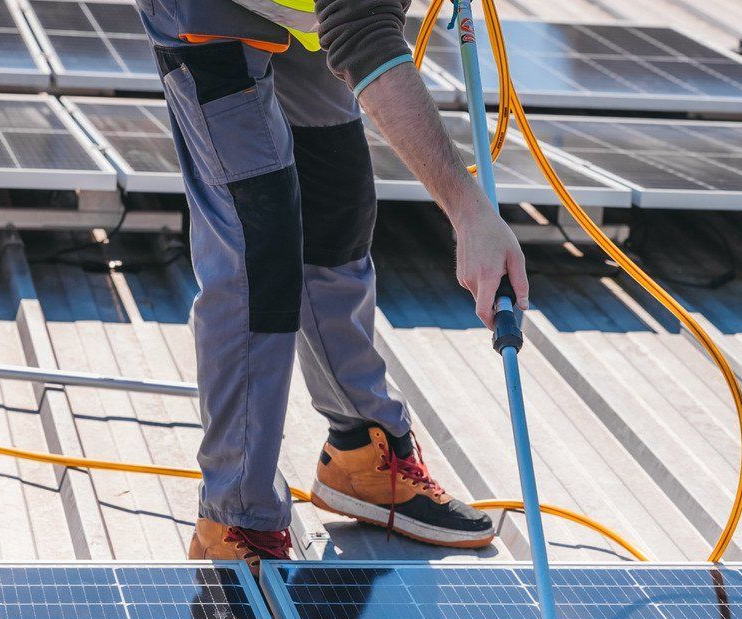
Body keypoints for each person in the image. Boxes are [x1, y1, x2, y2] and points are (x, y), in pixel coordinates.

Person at [137, 0, 530, 567]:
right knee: (259, 239)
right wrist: (468, 213)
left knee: (338, 207)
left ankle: (361, 452)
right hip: (211, 11)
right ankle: (235, 513)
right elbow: (364, 30)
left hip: (299, 12)